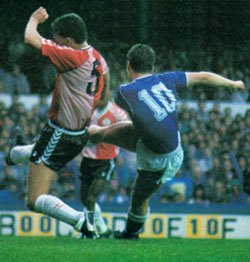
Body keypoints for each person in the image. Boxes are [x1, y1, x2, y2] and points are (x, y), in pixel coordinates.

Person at [88, 43, 245, 239]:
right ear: (152, 68)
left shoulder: (123, 92)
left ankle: (130, 233)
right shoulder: (167, 78)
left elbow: (134, 107)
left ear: (128, 65)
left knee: (138, 197)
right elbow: (204, 76)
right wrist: (232, 84)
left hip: (159, 157)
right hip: (161, 144)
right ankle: (87, 137)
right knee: (100, 135)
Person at [5, 7, 109, 239]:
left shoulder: (72, 56)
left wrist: (33, 19)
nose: (56, 43)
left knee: (33, 200)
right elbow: (105, 87)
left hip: (60, 133)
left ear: (69, 40)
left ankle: (81, 222)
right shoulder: (96, 57)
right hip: (79, 134)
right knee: (39, 151)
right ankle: (14, 154)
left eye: (59, 40)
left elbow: (30, 38)